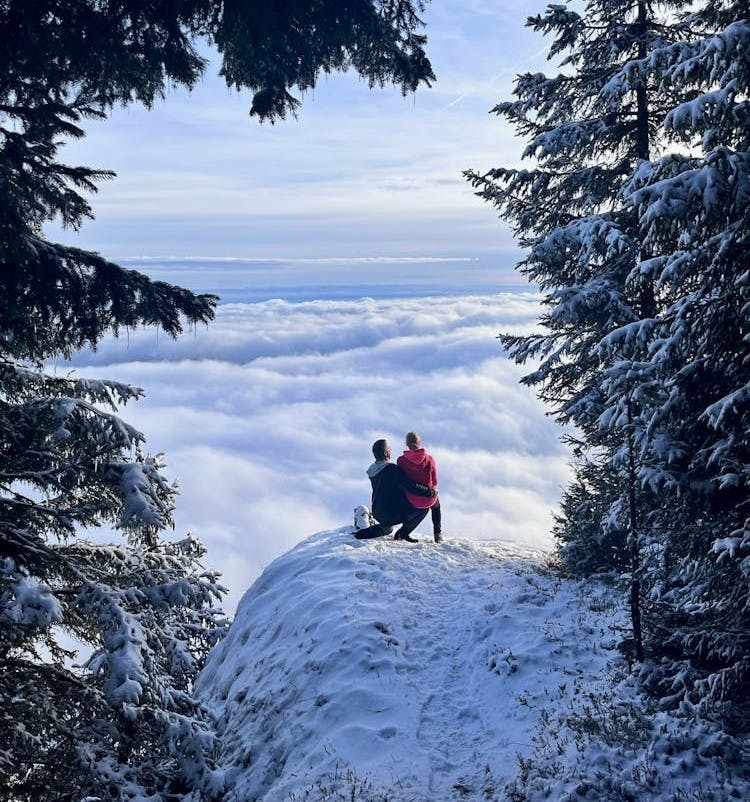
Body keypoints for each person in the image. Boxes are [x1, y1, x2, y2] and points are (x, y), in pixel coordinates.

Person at [354, 439, 436, 542]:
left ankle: (359, 534)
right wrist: (430, 492)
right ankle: (402, 534)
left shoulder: (372, 471)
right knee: (423, 508)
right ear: (386, 453)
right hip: (392, 512)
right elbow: (411, 487)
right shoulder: (392, 470)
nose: (391, 451)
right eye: (390, 449)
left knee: (387, 529)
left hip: (378, 511)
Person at [396, 431, 442, 543]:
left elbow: (402, 481)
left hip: (411, 498)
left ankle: (403, 531)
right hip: (428, 498)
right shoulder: (429, 459)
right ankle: (437, 534)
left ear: (406, 444)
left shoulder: (401, 460)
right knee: (436, 507)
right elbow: (435, 481)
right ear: (419, 442)